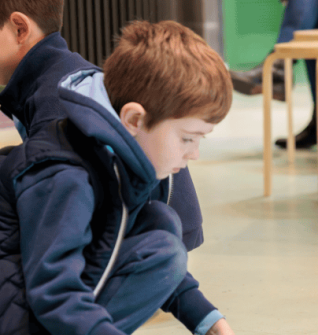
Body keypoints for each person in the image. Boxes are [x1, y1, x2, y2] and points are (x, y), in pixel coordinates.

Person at [0, 18, 247, 335]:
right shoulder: (65, 175)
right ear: (134, 119)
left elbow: (131, 240)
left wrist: (211, 324)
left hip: (23, 294)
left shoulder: (116, 154)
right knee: (160, 236)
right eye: (187, 138)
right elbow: (53, 289)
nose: (194, 155)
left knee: (160, 227)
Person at [0, 0, 206, 250]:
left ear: (20, 29)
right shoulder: (61, 73)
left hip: (145, 240)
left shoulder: (54, 104)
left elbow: (63, 221)